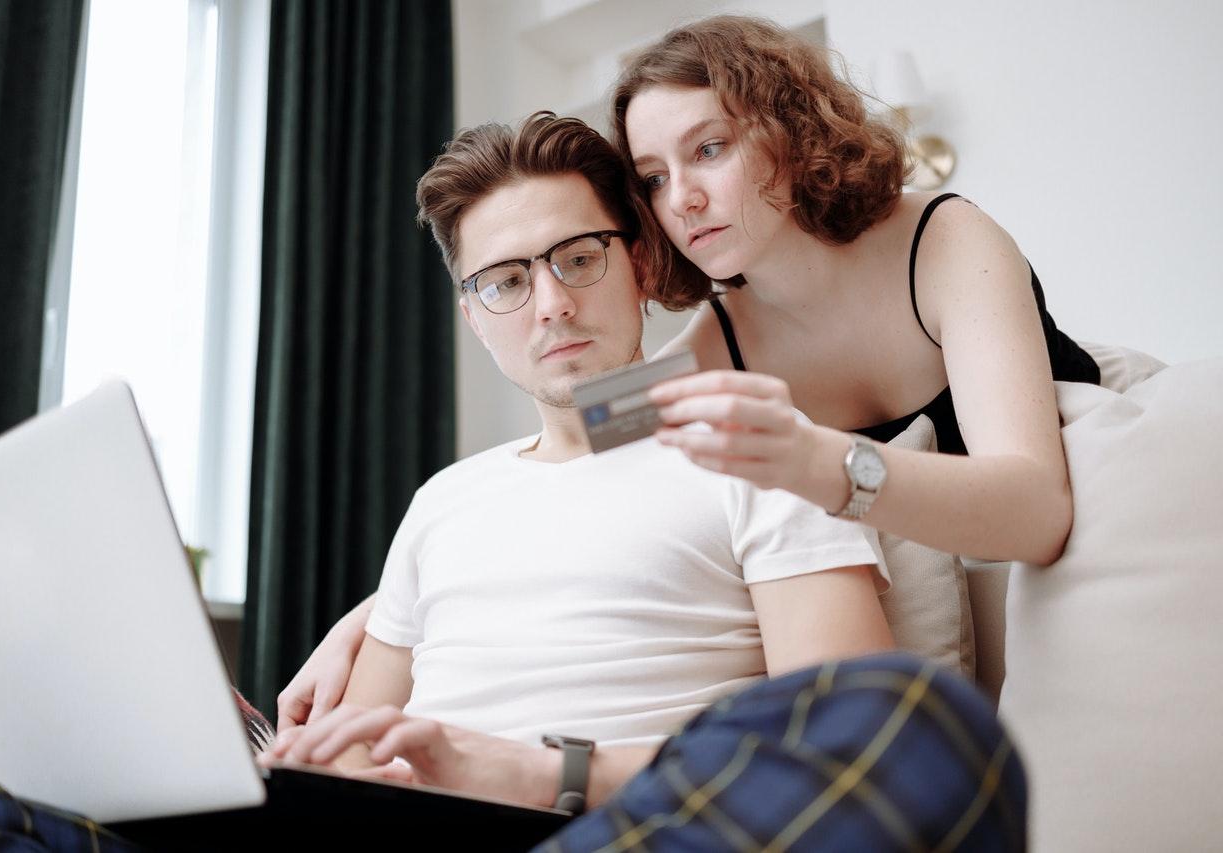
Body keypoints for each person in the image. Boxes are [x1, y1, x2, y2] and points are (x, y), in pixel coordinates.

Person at [260, 112, 1026, 850]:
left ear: (639, 263)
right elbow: (347, 756)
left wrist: (544, 773)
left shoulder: (760, 449)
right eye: (504, 282)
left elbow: (854, 739)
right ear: (471, 314)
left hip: (619, 825)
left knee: (922, 725)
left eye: (580, 258)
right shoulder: (443, 501)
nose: (553, 305)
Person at [612, 15, 1100, 571]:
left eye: (708, 149)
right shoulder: (712, 348)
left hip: (1115, 532)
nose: (681, 200)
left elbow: (1037, 518)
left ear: (789, 130)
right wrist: (591, 275)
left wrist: (821, 463)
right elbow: (582, 431)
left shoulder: (947, 241)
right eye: (654, 179)